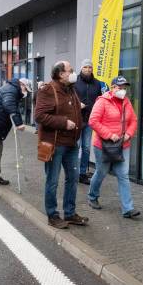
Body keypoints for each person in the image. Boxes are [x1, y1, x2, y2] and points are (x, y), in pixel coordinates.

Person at [35, 61, 89, 229]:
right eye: (70, 70)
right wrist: (64, 123)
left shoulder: (71, 89)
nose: (73, 73)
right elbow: (40, 116)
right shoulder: (48, 90)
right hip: (55, 144)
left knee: (72, 179)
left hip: (72, 144)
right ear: (60, 74)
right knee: (52, 181)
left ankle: (70, 213)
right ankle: (52, 215)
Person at [87, 76, 140, 219]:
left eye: (124, 88)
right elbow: (93, 121)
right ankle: (92, 196)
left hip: (123, 145)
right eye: (119, 87)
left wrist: (129, 133)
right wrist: (109, 135)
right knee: (101, 172)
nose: (122, 90)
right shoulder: (102, 101)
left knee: (123, 175)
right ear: (112, 88)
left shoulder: (126, 102)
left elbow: (133, 120)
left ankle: (128, 209)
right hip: (103, 145)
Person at [74, 59, 102, 185]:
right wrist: (76, 103)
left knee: (86, 148)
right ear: (81, 68)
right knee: (76, 146)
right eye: (85, 67)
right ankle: (73, 172)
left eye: (90, 67)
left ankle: (82, 173)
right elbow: (68, 96)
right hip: (77, 119)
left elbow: (100, 99)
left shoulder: (97, 84)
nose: (87, 69)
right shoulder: (74, 82)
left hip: (90, 120)